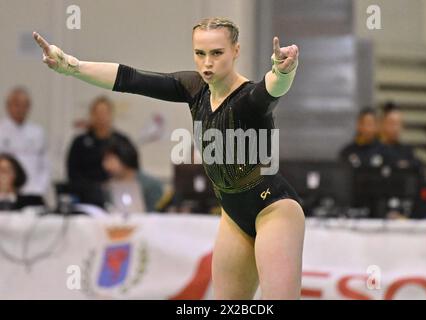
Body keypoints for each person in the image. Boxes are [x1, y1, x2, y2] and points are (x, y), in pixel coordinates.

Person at [33, 16, 304, 300]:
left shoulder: (249, 99)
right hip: (233, 216)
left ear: (236, 51)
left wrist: (284, 72)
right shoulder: (194, 88)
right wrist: (72, 67)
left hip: (273, 210)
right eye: (200, 53)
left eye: (217, 53)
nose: (207, 63)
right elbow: (130, 79)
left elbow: (271, 90)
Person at [66, 95, 130, 184]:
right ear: (91, 115)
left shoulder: (122, 141)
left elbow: (133, 171)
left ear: (111, 114)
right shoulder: (80, 142)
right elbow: (72, 173)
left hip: (116, 189)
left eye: (104, 112)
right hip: (87, 192)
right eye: (97, 113)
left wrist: (119, 170)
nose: (101, 117)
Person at [0, 87, 50, 196]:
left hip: (33, 190)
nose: (20, 109)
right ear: (8, 106)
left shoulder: (37, 132)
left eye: (24, 105)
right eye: (16, 104)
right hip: (6, 192)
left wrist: (40, 187)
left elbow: (44, 164)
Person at [102, 136, 164, 213]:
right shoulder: (107, 187)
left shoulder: (151, 185)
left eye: (110, 159)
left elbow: (158, 212)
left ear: (124, 157)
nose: (106, 165)